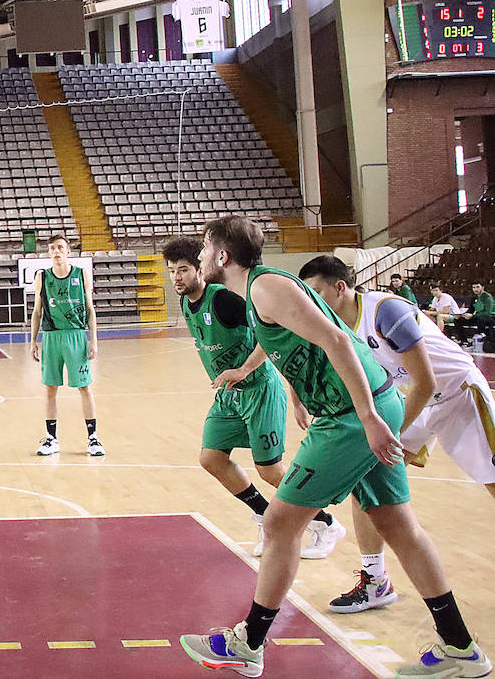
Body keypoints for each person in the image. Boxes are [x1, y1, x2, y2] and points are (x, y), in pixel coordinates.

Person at [180, 217, 488, 679]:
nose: (200, 256)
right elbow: (288, 344)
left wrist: (368, 418)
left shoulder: (265, 288)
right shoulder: (256, 296)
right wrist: (287, 388)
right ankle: (462, 648)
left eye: (204, 248)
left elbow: (338, 338)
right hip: (356, 407)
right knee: (397, 524)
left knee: (281, 521)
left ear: (223, 256)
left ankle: (250, 644)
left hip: (349, 417)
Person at [300, 256, 495, 616]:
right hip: (412, 401)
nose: (311, 302)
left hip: (457, 395)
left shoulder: (385, 311)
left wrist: (386, 433)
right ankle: (376, 581)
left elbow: (427, 382)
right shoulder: (332, 328)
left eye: (316, 292)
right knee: (366, 474)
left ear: (340, 288)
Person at [161, 239, 343, 559]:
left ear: (200, 270)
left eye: (184, 270)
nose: (176, 277)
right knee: (212, 459)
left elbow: (271, 333)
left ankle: (325, 523)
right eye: (171, 271)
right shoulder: (188, 304)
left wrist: (249, 371)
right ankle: (262, 513)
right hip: (230, 395)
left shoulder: (224, 301)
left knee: (270, 470)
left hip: (259, 387)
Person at [29, 234, 103, 457]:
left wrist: (94, 339)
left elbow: (90, 309)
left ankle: (93, 438)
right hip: (51, 337)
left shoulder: (81, 275)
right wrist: (33, 341)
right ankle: (51, 439)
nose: (56, 251)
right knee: (50, 388)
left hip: (77, 336)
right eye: (52, 248)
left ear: (68, 251)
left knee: (84, 387)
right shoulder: (42, 277)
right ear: (49, 253)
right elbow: (37, 311)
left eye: (60, 247)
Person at [451, 281, 493, 346]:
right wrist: (463, 315)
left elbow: (487, 313)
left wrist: (472, 316)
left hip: (488, 318)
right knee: (457, 320)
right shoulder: (474, 297)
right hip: (476, 317)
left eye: (477, 287)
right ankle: (463, 340)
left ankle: (478, 340)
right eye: (473, 287)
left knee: (481, 319)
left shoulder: (487, 297)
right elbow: (470, 310)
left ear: (483, 287)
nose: (475, 289)